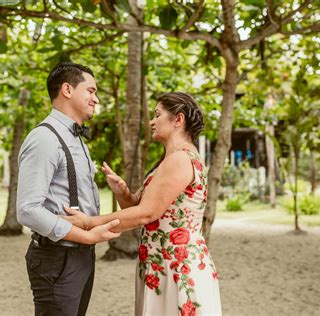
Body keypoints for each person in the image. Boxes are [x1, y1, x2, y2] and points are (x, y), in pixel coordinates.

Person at [65, 92, 222, 315]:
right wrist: (123, 192)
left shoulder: (180, 159)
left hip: (176, 266)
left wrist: (89, 222)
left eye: (157, 115)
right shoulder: (170, 159)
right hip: (162, 264)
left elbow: (146, 215)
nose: (151, 121)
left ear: (178, 120)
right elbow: (141, 209)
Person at [16, 62, 121, 316]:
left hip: (80, 256)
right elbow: (28, 210)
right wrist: (86, 236)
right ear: (67, 89)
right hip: (57, 257)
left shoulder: (76, 139)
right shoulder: (45, 138)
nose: (95, 99)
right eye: (91, 91)